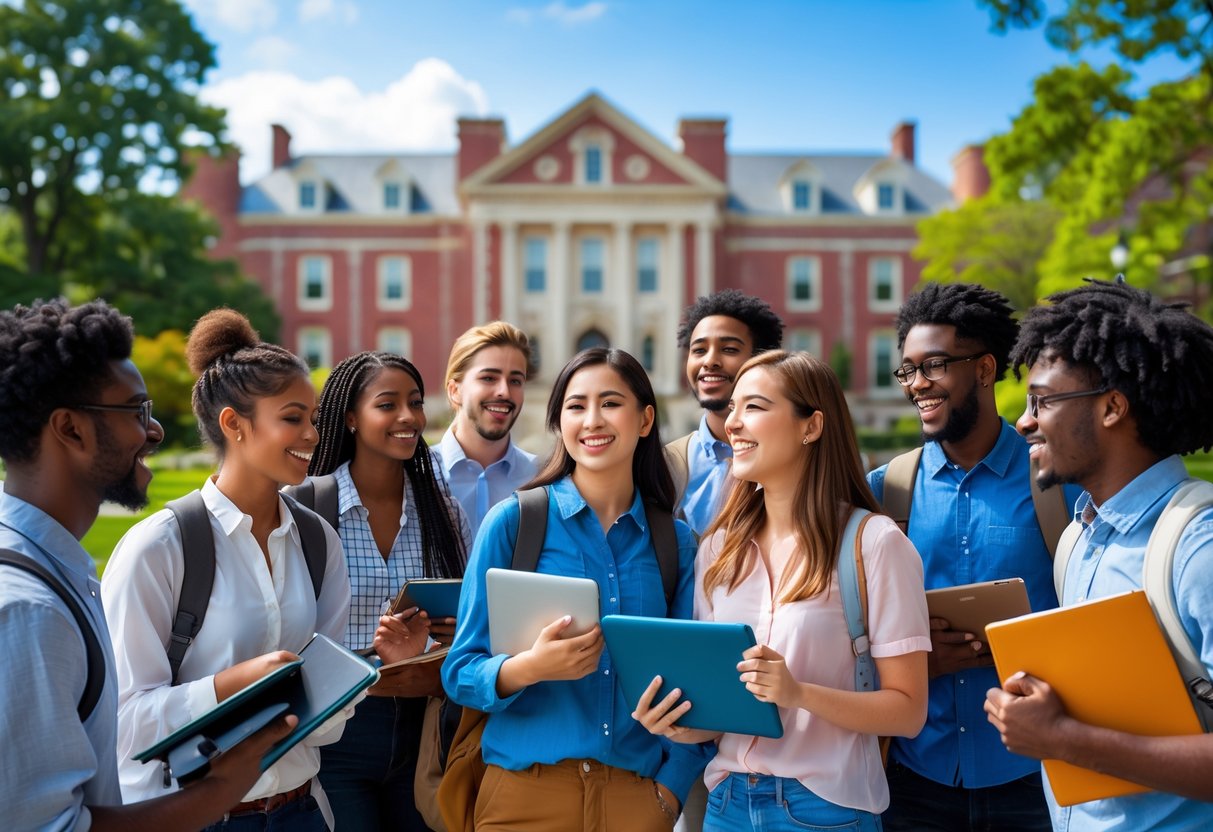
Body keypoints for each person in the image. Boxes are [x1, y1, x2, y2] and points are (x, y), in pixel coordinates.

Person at [0, 298, 295, 831]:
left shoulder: (54, 567)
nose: (154, 431)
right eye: (136, 412)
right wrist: (222, 790)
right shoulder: (28, 608)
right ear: (70, 429)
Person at [636, 350, 930, 831]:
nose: (732, 423)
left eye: (753, 407)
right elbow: (721, 714)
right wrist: (680, 723)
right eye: (732, 408)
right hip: (726, 804)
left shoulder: (874, 544)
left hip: (824, 810)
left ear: (811, 426)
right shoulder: (717, 550)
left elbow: (908, 710)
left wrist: (798, 692)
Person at [101, 308, 352, 831]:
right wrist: (229, 685)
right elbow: (122, 728)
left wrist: (370, 667)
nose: (313, 434)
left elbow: (328, 723)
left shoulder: (317, 540)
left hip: (300, 811)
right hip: (196, 817)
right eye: (293, 418)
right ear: (234, 424)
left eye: (314, 418)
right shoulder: (158, 548)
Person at [443, 347, 709, 831]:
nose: (592, 420)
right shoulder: (514, 523)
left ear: (645, 419)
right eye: (575, 406)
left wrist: (669, 792)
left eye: (610, 403)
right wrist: (528, 668)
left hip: (638, 798)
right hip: (522, 797)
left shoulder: (678, 543)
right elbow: (460, 672)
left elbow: (695, 684)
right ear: (559, 421)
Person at [984, 278, 1213, 830]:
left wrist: (1063, 740)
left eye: (1042, 400)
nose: (1023, 421)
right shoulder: (1077, 537)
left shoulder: (1198, 545)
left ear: (1112, 407)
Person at [866, 282, 1081, 832]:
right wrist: (912, 662)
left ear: (985, 370)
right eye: (908, 369)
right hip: (914, 776)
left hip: (1035, 778)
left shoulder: (1059, 488)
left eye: (933, 366)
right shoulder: (884, 491)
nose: (917, 385)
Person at [306, 350, 470, 830]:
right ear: (351, 418)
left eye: (415, 403)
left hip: (424, 732)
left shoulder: (443, 513)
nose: (408, 417)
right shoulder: (307, 509)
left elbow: (469, 623)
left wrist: (444, 634)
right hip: (339, 733)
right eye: (387, 404)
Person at [669, 290, 784, 538]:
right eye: (698, 350)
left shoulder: (791, 459)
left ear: (762, 361)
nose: (710, 361)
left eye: (729, 349)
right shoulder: (666, 466)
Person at [431, 321, 539, 540]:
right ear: (455, 391)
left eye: (515, 380)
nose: (504, 391)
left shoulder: (541, 479)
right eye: (488, 378)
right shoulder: (416, 476)